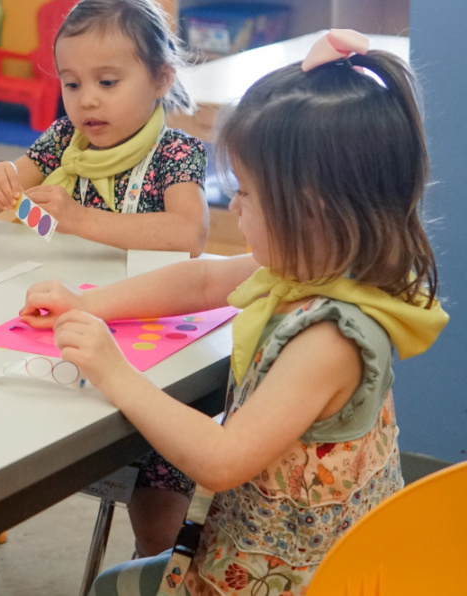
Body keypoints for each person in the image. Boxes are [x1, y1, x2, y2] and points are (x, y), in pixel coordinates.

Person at [24, 31, 449, 595]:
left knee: (110, 588)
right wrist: (87, 305)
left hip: (290, 580)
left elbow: (221, 461)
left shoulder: (332, 339)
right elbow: (201, 279)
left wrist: (114, 371)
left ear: (312, 210)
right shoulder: (309, 264)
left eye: (246, 194)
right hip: (260, 547)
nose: (236, 208)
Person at [0, 0, 210, 583]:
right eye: (72, 84)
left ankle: (165, 577)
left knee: (159, 521)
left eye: (107, 81)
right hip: (60, 326)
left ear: (160, 79)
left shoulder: (175, 151)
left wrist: (75, 217)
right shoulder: (61, 143)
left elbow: (187, 234)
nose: (86, 100)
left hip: (149, 347)